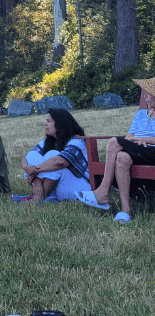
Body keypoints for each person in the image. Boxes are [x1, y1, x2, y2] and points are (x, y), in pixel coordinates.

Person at [78, 77, 155, 223]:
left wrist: (142, 139)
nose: (145, 96)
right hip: (139, 151)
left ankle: (103, 191)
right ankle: (125, 210)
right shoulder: (140, 114)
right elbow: (129, 136)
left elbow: (132, 138)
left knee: (114, 142)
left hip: (152, 153)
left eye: (148, 93)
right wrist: (134, 141)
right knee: (121, 157)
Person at [19, 108, 91, 203]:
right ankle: (39, 196)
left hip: (80, 187)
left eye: (49, 121)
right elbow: (26, 157)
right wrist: (27, 168)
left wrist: (35, 171)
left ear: (60, 124)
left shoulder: (76, 141)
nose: (45, 124)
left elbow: (61, 162)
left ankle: (41, 197)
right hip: (59, 188)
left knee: (53, 155)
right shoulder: (49, 142)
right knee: (32, 155)